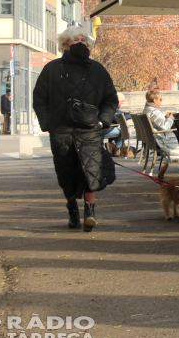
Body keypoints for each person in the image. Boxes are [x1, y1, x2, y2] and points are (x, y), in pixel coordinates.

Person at [33, 25, 117, 233]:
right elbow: (39, 99)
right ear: (65, 44)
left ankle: (90, 211)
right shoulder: (52, 69)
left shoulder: (98, 69)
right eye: (75, 40)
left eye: (83, 40)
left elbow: (110, 99)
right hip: (61, 131)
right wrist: (48, 124)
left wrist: (103, 121)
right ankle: (72, 209)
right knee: (67, 173)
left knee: (91, 171)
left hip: (89, 129)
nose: (80, 43)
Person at [143, 88, 179, 161]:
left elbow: (157, 122)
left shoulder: (147, 110)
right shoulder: (154, 111)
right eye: (160, 99)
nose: (161, 101)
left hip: (155, 136)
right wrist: (170, 118)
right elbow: (165, 127)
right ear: (154, 100)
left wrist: (166, 117)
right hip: (161, 138)